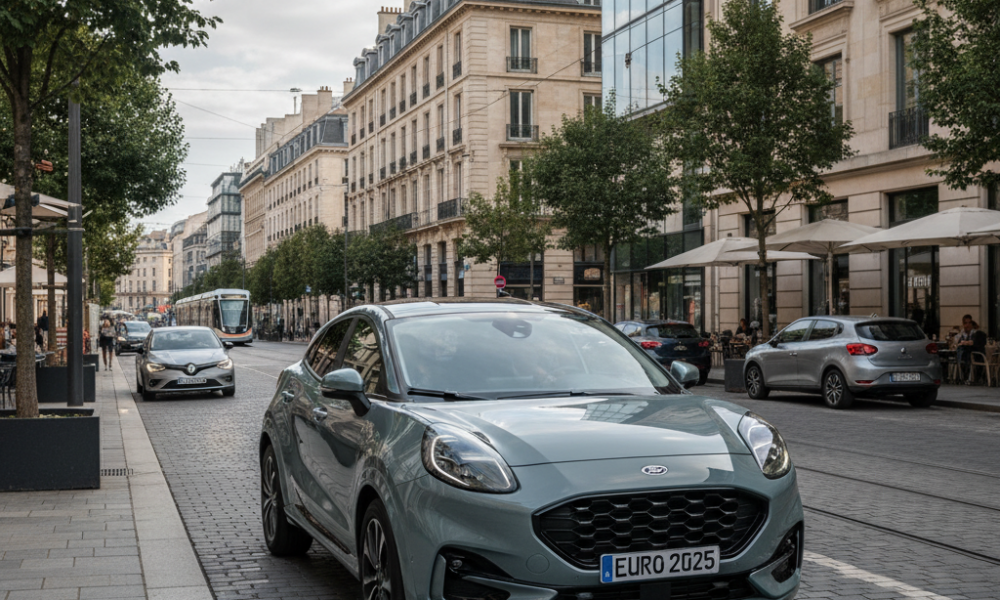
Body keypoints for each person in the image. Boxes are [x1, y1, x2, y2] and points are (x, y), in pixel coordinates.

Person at [956, 314, 987, 384]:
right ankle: (960, 377)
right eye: (966, 323)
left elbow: (973, 343)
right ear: (963, 324)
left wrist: (964, 342)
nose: (968, 325)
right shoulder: (962, 334)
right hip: (967, 354)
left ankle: (968, 377)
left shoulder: (977, 333)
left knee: (965, 354)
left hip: (977, 355)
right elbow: (957, 342)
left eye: (969, 323)